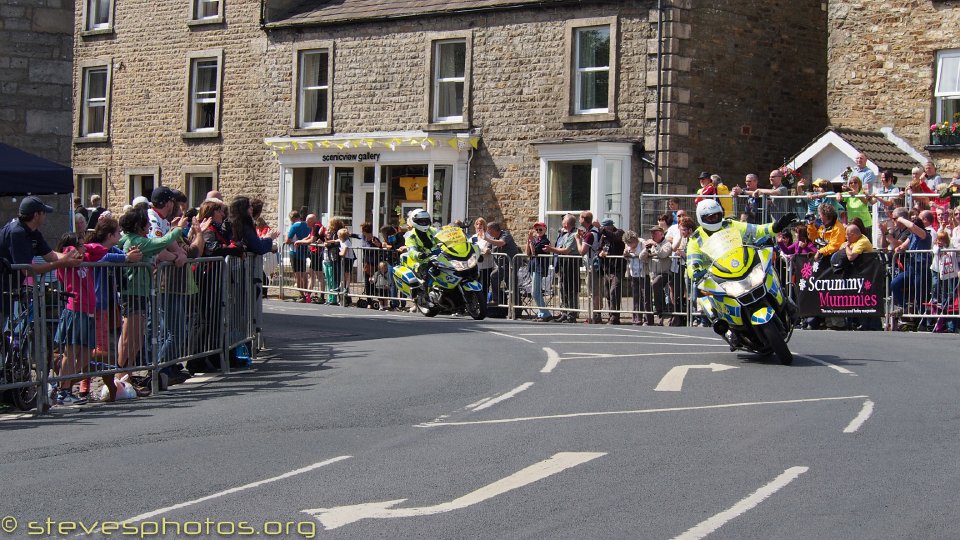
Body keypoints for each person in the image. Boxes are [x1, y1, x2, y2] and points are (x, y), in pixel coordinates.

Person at [0, 196, 83, 321]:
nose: (45, 216)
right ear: (36, 215)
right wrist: (62, 263)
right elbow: (26, 270)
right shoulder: (17, 232)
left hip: (10, 289)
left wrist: (71, 256)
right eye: (44, 212)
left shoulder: (33, 233)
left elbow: (51, 255)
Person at [543, 214, 578, 322]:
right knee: (563, 288)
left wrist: (551, 249)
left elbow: (566, 250)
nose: (562, 223)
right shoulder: (565, 234)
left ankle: (571, 314)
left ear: (566, 224)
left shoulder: (574, 235)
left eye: (563, 222)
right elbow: (560, 247)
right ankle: (564, 312)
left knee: (570, 289)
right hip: (563, 264)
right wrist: (557, 249)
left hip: (571, 264)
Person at [639, 225, 673, 325]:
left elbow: (663, 254)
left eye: (655, 232)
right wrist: (646, 249)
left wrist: (655, 244)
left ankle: (659, 308)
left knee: (656, 283)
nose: (652, 235)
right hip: (653, 274)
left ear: (661, 234)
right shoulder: (651, 245)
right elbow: (641, 257)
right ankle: (659, 311)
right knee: (653, 285)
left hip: (665, 273)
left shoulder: (666, 244)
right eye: (652, 233)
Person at [574, 211, 603, 323]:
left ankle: (596, 315)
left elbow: (582, 251)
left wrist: (577, 239)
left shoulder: (591, 234)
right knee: (595, 291)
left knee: (593, 291)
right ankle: (596, 314)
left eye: (580, 218)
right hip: (593, 264)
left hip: (592, 265)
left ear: (583, 219)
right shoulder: (592, 232)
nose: (579, 220)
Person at [486, 221, 519, 307]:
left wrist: (486, 239)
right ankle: (496, 300)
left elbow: (501, 243)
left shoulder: (505, 234)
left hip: (511, 265)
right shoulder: (493, 239)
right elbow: (488, 247)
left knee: (512, 286)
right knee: (494, 276)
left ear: (494, 229)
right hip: (501, 265)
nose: (488, 232)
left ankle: (516, 308)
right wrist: (486, 249)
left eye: (489, 230)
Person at [525, 221, 552, 321]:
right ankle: (542, 313)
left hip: (539, 267)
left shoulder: (545, 241)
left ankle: (545, 313)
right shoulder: (536, 240)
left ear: (545, 230)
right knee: (536, 292)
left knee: (535, 292)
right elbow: (528, 253)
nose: (538, 231)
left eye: (540, 229)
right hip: (533, 266)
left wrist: (531, 242)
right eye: (537, 230)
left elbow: (534, 252)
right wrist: (528, 241)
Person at [469, 218, 495, 308]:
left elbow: (487, 248)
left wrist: (481, 249)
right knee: (475, 285)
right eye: (477, 224)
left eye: (481, 224)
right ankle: (474, 305)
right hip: (475, 265)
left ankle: (483, 306)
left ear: (484, 226)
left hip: (486, 265)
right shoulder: (473, 237)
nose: (479, 226)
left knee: (484, 286)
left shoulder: (488, 236)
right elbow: (470, 248)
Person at [622, 230, 646, 325]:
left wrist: (634, 254)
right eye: (628, 243)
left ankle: (647, 317)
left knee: (644, 296)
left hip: (643, 273)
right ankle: (636, 317)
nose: (630, 245)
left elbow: (644, 255)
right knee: (636, 296)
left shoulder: (642, 243)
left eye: (631, 243)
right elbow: (627, 257)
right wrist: (626, 255)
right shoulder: (627, 246)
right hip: (633, 272)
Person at [285, 211, 310, 302]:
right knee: (304, 273)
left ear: (292, 218)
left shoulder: (294, 226)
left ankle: (302, 295)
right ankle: (307, 293)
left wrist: (291, 241)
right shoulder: (306, 225)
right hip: (304, 251)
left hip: (295, 252)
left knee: (297, 274)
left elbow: (287, 240)